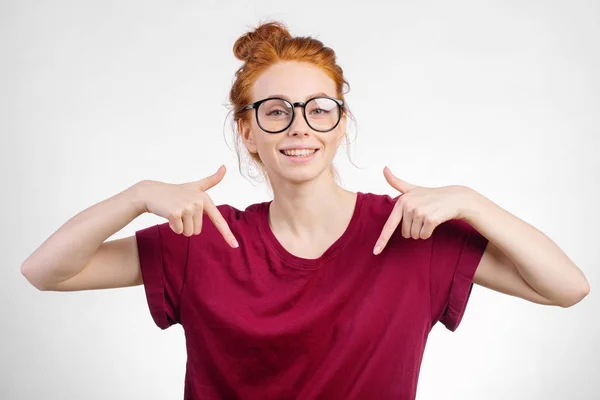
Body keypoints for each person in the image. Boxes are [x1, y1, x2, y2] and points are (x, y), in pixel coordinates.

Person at [21, 21, 590, 400]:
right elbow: (44, 272)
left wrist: (470, 201)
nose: (299, 126)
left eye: (319, 109)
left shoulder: (410, 233)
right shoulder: (203, 238)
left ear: (340, 124)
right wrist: (137, 195)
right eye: (275, 110)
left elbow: (567, 287)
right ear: (247, 131)